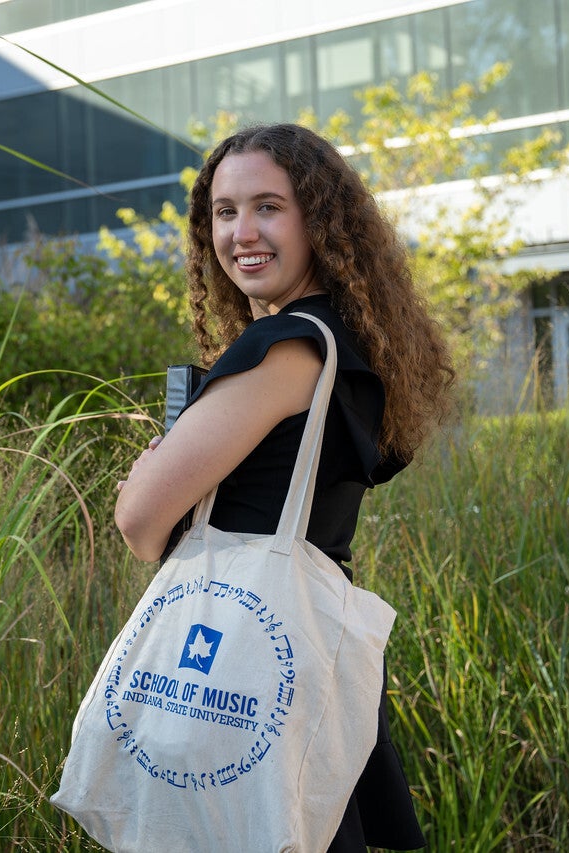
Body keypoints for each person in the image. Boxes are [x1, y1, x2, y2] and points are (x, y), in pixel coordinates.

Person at [114, 123, 454, 851]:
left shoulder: (285, 349)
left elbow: (141, 524)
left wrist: (149, 472)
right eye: (225, 212)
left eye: (268, 206)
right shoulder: (343, 342)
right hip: (301, 646)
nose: (243, 232)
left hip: (246, 661)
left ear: (318, 221)